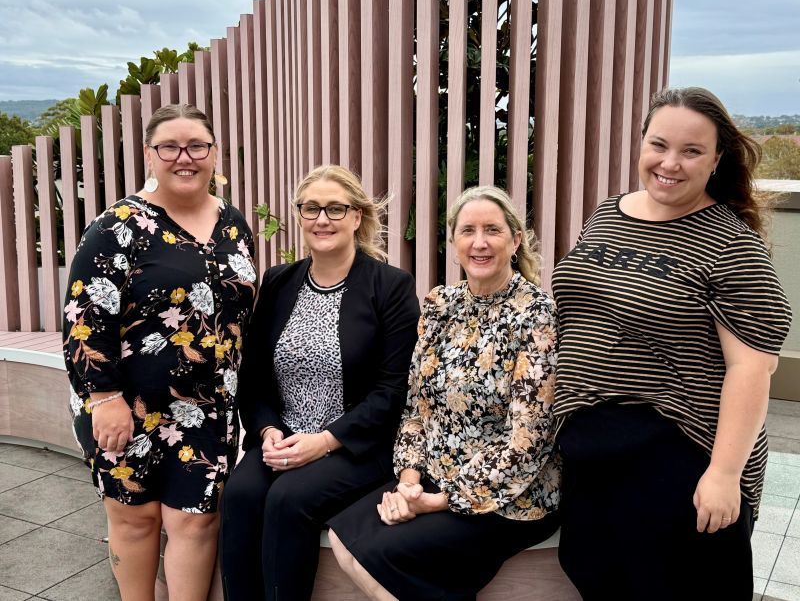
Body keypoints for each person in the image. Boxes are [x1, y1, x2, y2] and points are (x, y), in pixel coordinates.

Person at [552, 87, 793, 600]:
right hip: (597, 451)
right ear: (640, 144)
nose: (670, 163)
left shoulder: (731, 244)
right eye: (658, 145)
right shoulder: (608, 212)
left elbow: (752, 368)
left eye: (691, 151)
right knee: (602, 582)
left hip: (679, 453)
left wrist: (725, 474)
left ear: (716, 160)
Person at [327, 185, 561, 601]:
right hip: (433, 475)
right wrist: (409, 482)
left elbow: (528, 441)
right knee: (345, 537)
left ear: (516, 239)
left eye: (493, 230)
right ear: (453, 242)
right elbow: (416, 407)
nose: (480, 242)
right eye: (468, 231)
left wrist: (436, 502)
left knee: (383, 550)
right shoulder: (440, 306)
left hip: (510, 493)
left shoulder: (535, 314)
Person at [63, 104, 257, 601]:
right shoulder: (117, 226)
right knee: (135, 521)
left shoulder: (234, 225)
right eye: (169, 147)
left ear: (214, 154)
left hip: (210, 409)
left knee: (196, 522)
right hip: (128, 407)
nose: (184, 157)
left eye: (197, 146)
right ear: (150, 154)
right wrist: (104, 398)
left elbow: (242, 314)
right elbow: (85, 319)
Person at [218, 164, 420, 601]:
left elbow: (393, 391)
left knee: (289, 499)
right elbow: (253, 379)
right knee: (240, 493)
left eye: (334, 208)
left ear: (356, 217)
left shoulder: (390, 287)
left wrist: (325, 441)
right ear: (300, 215)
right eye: (311, 208)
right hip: (283, 436)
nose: (322, 219)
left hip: (356, 445)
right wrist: (269, 431)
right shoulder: (278, 281)